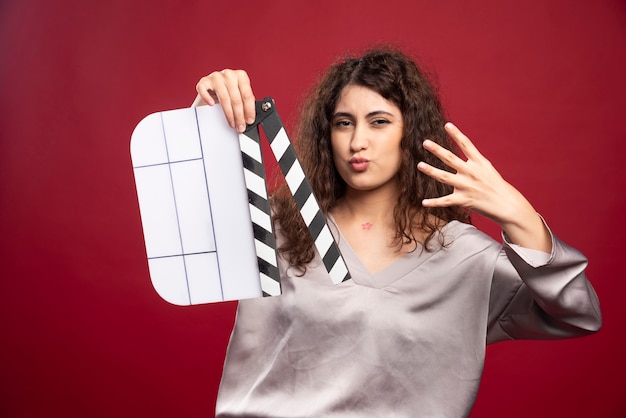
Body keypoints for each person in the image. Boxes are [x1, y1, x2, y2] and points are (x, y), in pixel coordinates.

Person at [192, 47, 601, 417]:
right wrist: (200, 120)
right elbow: (184, 242)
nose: (357, 141)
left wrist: (521, 217)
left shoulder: (466, 258)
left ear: (411, 133)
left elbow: (577, 314)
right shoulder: (277, 229)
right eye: (343, 123)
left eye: (379, 122)